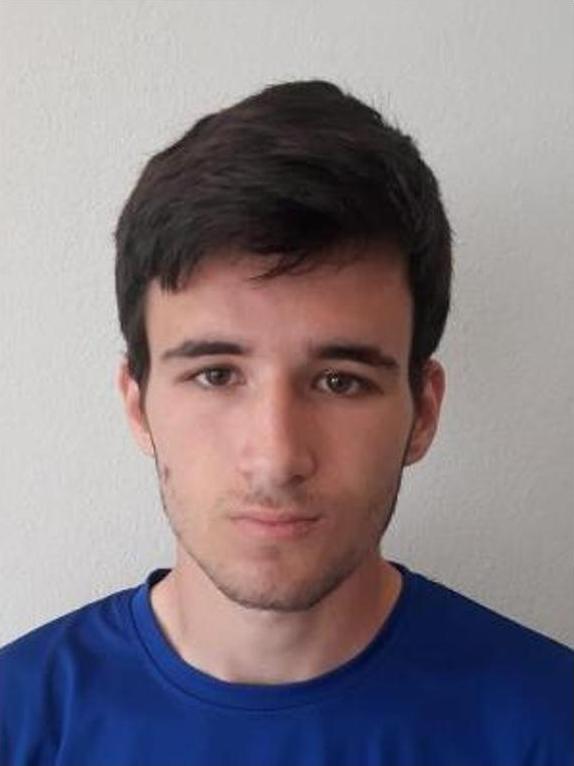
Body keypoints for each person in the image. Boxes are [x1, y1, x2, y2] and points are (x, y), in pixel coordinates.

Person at [0, 79, 572, 766]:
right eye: (216, 375)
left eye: (340, 381)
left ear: (423, 412)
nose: (275, 459)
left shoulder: (551, 725)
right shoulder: (19, 721)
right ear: (136, 404)